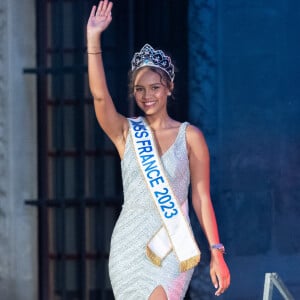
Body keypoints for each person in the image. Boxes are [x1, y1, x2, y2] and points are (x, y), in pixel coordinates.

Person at [87, 1, 230, 299]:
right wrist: (93, 38)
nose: (147, 95)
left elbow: (201, 197)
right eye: (140, 89)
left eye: (154, 87)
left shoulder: (190, 136)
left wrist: (217, 251)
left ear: (169, 88)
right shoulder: (126, 133)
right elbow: (100, 98)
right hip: (130, 243)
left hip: (172, 244)